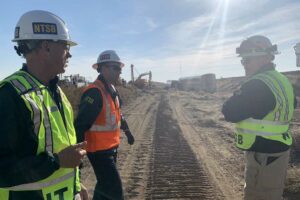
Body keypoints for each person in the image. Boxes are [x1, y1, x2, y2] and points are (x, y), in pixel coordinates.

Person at [0, 10, 88, 200]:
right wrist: (57, 162)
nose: (69, 54)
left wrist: (77, 186)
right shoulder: (8, 96)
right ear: (47, 47)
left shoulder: (56, 92)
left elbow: (62, 147)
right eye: (65, 46)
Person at [222, 35, 296, 200]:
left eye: (247, 60)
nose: (244, 65)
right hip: (279, 151)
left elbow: (230, 112)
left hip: (263, 156)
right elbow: (292, 106)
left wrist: (239, 92)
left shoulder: (258, 84)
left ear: (264, 57)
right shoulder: (282, 80)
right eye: (243, 61)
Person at [75, 50, 135, 200]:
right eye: (116, 68)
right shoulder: (94, 93)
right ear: (103, 68)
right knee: (115, 190)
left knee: (104, 186)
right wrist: (77, 156)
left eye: (120, 69)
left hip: (110, 148)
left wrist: (127, 132)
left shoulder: (112, 90)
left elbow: (117, 113)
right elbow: (80, 125)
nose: (120, 72)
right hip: (99, 151)